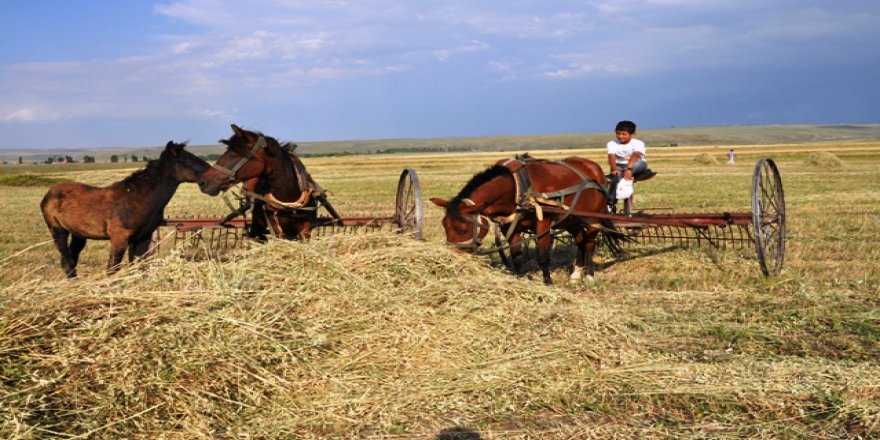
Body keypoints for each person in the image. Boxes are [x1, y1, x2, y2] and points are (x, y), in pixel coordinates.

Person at [606, 120, 652, 207]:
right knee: (616, 177)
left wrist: (629, 169)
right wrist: (614, 169)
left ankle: (623, 173)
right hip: (619, 166)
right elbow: (611, 157)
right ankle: (611, 202)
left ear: (632, 133)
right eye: (618, 133)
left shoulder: (638, 143)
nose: (620, 136)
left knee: (636, 164)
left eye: (624, 134)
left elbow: (636, 155)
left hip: (636, 164)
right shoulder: (611, 143)